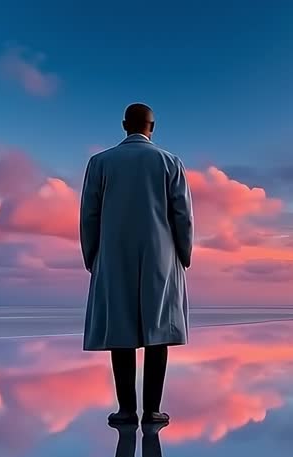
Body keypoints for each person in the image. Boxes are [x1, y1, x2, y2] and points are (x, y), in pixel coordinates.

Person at [80, 102, 194, 427]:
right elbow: (182, 215)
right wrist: (184, 255)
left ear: (123, 125)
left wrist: (92, 256)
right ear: (152, 127)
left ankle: (127, 410)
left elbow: (89, 214)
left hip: (113, 254)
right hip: (162, 254)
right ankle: (153, 411)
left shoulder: (100, 162)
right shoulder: (170, 162)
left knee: (121, 330)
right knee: (157, 330)